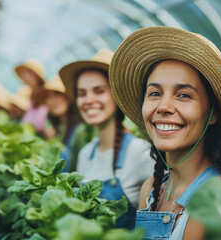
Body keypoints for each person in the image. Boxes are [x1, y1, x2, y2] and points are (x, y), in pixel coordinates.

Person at [108, 26, 221, 239]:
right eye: (155, 93)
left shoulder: (217, 202)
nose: (164, 106)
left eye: (184, 95)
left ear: (213, 114)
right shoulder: (151, 188)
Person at [59, 49, 154, 229]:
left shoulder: (140, 152)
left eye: (99, 91)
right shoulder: (86, 153)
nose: (89, 100)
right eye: (82, 93)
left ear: (117, 96)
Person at [35, 75, 81, 172]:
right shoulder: (55, 127)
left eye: (57, 94)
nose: (51, 101)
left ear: (68, 96)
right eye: (47, 97)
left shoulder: (81, 128)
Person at [15, 60, 49, 136]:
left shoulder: (48, 92)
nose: (25, 78)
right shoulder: (32, 97)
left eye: (28, 73)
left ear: (36, 75)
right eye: (23, 75)